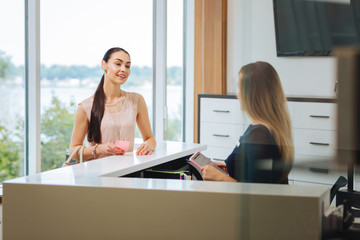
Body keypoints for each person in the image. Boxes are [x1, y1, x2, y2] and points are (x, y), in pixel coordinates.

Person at [201, 61, 294, 184]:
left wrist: (219, 177)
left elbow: (256, 196)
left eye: (240, 87)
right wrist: (230, 166)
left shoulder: (258, 136)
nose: (238, 94)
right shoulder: (266, 128)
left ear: (252, 94)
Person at [68, 47, 156, 161]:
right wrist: (99, 149)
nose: (123, 69)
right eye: (118, 64)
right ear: (104, 65)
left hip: (129, 172)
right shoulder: (86, 107)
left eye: (127, 66)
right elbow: (73, 151)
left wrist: (149, 145)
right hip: (99, 175)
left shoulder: (137, 100)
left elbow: (150, 138)